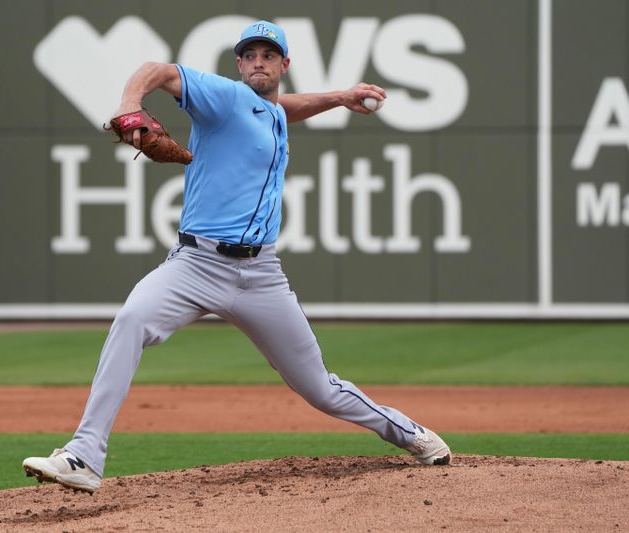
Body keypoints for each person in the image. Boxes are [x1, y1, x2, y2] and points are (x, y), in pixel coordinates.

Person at [23, 20, 451, 494]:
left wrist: (339, 97)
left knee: (319, 387)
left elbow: (283, 107)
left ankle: (410, 434)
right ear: (239, 64)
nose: (259, 62)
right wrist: (129, 104)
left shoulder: (269, 111)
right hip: (195, 265)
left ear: (284, 64)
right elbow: (157, 70)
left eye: (269, 54)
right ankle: (85, 453)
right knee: (131, 320)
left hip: (261, 275)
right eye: (250, 55)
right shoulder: (224, 97)